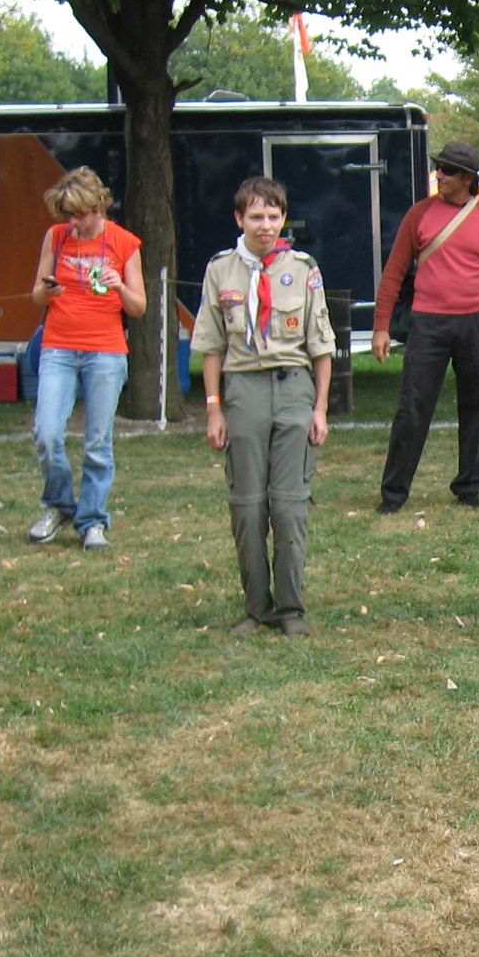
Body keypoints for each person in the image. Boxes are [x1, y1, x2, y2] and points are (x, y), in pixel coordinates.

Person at [193, 175, 334, 638]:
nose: (266, 225)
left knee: (291, 505)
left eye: (274, 216)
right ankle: (257, 608)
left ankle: (291, 607)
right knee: (248, 505)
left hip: (293, 388)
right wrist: (214, 409)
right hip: (243, 391)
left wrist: (320, 409)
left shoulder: (303, 266)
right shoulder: (221, 270)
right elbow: (212, 345)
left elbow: (320, 346)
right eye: (256, 216)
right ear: (240, 219)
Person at [372, 140, 479, 514]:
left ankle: (469, 487)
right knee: (412, 407)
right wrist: (381, 326)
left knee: (476, 406)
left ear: (468, 178)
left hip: (477, 323)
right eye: (439, 167)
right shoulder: (419, 214)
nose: (440, 175)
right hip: (428, 324)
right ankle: (394, 493)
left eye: (449, 170)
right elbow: (393, 273)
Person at [27, 166, 147, 551]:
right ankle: (60, 504)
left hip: (106, 351)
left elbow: (140, 306)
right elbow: (36, 296)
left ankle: (92, 520)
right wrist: (48, 291)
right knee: (47, 434)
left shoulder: (124, 242)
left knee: (97, 442)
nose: (73, 222)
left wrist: (120, 287)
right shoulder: (57, 237)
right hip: (58, 346)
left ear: (99, 206)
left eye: (80, 214)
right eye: (68, 215)